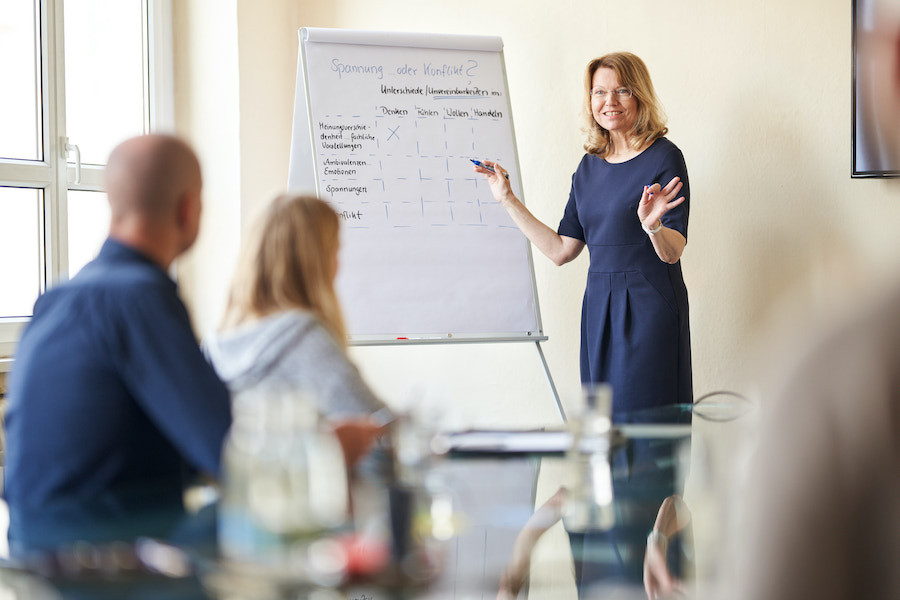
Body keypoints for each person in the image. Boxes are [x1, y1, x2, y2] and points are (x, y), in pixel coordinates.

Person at [4, 135, 232, 549]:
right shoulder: (139, 297)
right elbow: (230, 450)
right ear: (188, 208)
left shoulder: (56, 300)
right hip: (104, 568)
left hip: (32, 558)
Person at [475, 52, 692, 418]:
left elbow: (673, 252)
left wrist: (652, 226)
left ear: (639, 95)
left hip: (649, 306)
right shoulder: (588, 166)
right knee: (601, 430)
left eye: (622, 90)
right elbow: (561, 249)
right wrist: (508, 199)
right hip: (599, 307)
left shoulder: (664, 157)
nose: (609, 102)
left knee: (645, 430)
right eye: (599, 92)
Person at [205, 194, 386, 464]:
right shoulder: (303, 340)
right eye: (335, 250)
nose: (338, 264)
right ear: (317, 261)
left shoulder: (216, 342)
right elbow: (379, 426)